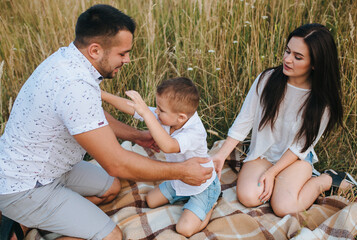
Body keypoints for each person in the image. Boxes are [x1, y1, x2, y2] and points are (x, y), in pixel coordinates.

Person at [0, 4, 213, 240]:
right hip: (27, 186)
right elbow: (116, 164)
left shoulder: (70, 60)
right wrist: (181, 171)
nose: (128, 59)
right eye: (122, 53)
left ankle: (35, 218)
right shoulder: (74, 85)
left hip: (54, 168)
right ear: (95, 50)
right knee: (111, 236)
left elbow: (93, 114)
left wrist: (137, 136)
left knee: (112, 188)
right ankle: (25, 214)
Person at [211, 23, 357, 217]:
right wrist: (222, 154)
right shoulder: (267, 79)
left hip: (296, 158)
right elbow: (244, 120)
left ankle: (324, 181)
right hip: (263, 154)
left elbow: (301, 145)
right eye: (287, 51)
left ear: (315, 64)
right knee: (248, 197)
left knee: (285, 208)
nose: (287, 59)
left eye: (298, 57)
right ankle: (284, 180)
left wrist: (272, 173)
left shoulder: (322, 101)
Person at [101, 77, 221, 237]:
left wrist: (146, 113)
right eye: (156, 108)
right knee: (151, 200)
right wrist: (102, 95)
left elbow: (169, 146)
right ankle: (185, 197)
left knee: (184, 229)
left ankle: (210, 203)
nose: (156, 112)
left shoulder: (194, 132)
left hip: (202, 184)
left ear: (182, 118)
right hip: (180, 178)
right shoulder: (169, 116)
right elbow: (135, 109)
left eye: (160, 110)